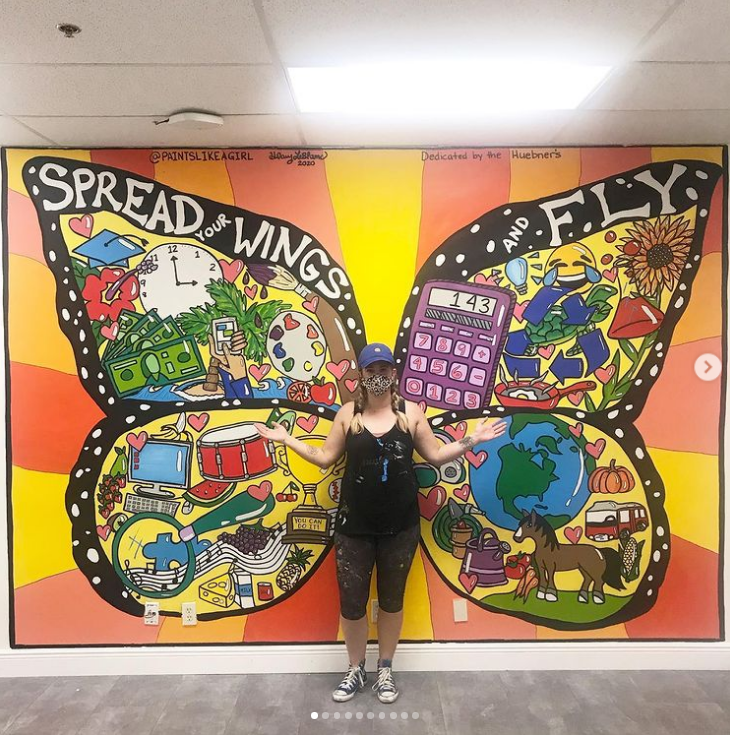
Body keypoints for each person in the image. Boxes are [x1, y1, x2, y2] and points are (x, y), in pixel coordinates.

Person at [255, 342, 507, 704]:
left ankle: (384, 670)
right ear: (361, 375)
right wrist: (288, 439)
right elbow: (325, 458)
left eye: (384, 370)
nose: (378, 376)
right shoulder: (347, 415)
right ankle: (355, 669)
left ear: (394, 373)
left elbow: (435, 455)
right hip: (352, 527)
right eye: (371, 370)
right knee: (352, 604)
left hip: (400, 528)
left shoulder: (411, 413)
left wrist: (471, 440)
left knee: (392, 601)